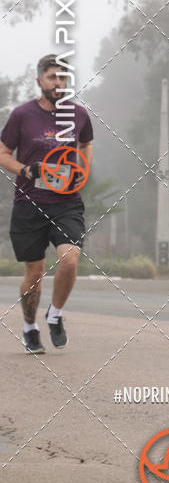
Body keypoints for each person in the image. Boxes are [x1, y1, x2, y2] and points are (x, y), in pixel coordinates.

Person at [0, 55, 93, 353]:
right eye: (52, 77)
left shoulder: (78, 114)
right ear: (39, 81)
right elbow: (3, 153)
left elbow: (86, 143)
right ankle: (30, 328)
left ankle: (55, 314)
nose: (58, 83)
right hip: (30, 203)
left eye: (63, 78)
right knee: (35, 271)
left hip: (67, 202)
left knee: (70, 259)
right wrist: (24, 170)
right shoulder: (22, 115)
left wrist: (82, 170)